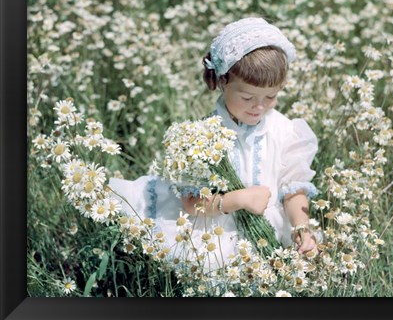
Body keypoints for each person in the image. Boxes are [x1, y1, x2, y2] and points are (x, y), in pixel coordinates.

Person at [109, 17, 320, 270]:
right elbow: (191, 203)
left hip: (272, 228)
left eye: (271, 96)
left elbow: (293, 189)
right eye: (247, 96)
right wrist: (239, 199)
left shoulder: (286, 131)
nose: (260, 106)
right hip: (217, 230)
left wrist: (300, 226)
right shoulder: (200, 137)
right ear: (223, 81)